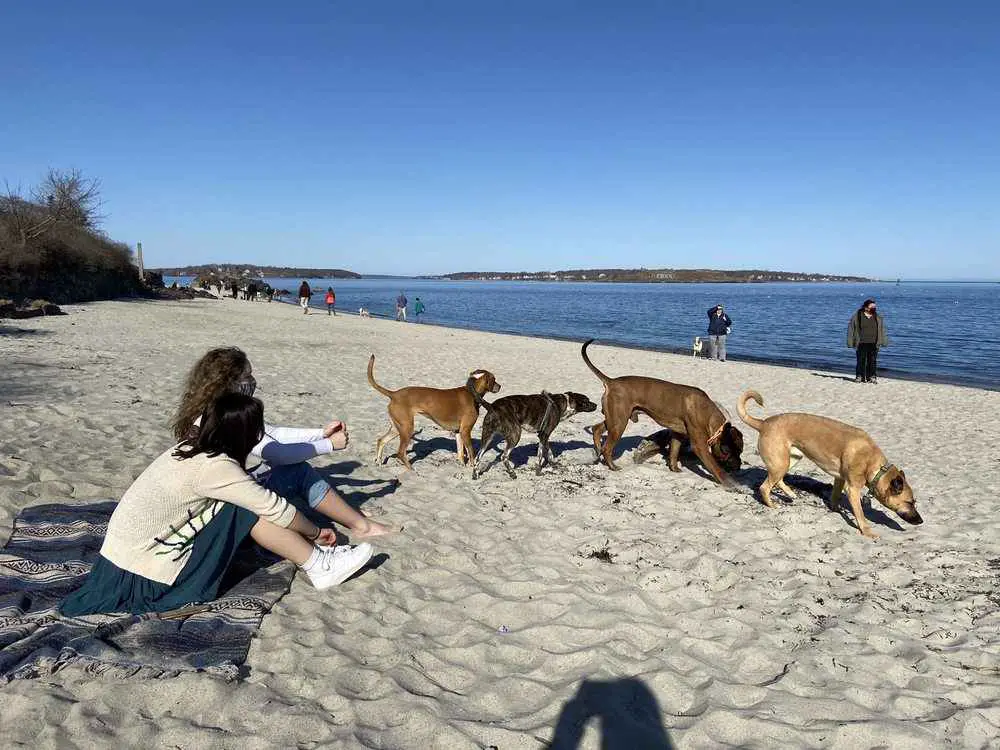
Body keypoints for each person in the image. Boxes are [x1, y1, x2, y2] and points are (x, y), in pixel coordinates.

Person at [60, 393, 376, 616]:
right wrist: (316, 530)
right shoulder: (215, 466)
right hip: (147, 577)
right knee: (247, 507)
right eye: (258, 430)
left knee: (244, 500)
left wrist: (317, 435)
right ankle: (319, 565)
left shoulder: (192, 446)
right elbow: (273, 508)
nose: (261, 435)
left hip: (120, 562)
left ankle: (316, 558)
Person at [169, 347, 396, 539]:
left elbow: (272, 433)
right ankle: (361, 526)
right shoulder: (226, 418)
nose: (252, 382)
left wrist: (321, 433)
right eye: (247, 376)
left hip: (214, 499)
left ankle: (354, 518)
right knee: (297, 471)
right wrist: (329, 445)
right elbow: (276, 453)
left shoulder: (207, 409)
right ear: (230, 382)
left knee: (285, 471)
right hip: (222, 509)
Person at [847, 298, 888, 384]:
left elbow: (882, 330)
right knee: (861, 361)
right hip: (861, 342)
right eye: (872, 307)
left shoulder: (878, 317)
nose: (874, 308)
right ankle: (859, 376)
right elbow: (851, 329)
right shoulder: (857, 316)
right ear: (866, 308)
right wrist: (850, 342)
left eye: (875, 307)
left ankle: (872, 377)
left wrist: (884, 341)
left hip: (874, 342)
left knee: (872, 361)